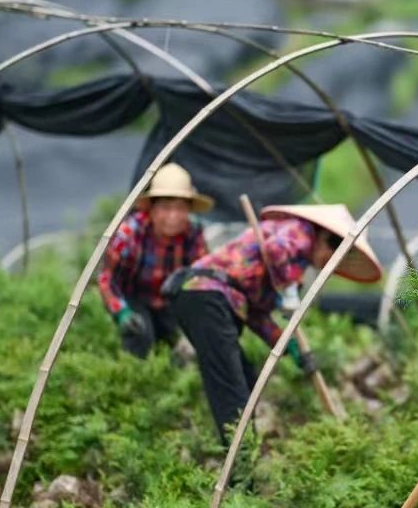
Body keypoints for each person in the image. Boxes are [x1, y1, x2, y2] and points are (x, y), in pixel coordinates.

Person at [167, 204, 382, 445]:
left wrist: (289, 345)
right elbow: (275, 249)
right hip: (205, 294)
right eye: (334, 254)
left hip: (216, 302)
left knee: (245, 379)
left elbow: (257, 314)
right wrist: (288, 288)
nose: (328, 263)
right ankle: (240, 467)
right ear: (326, 240)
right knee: (231, 390)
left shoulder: (295, 262)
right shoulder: (300, 232)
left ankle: (240, 452)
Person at [98, 163, 212, 358]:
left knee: (191, 344)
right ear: (151, 208)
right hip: (135, 296)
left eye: (180, 208)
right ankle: (136, 373)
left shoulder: (193, 233)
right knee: (139, 335)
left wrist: (198, 318)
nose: (173, 216)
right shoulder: (129, 234)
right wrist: (121, 311)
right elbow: (107, 279)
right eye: (165, 208)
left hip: (171, 299)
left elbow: (203, 277)